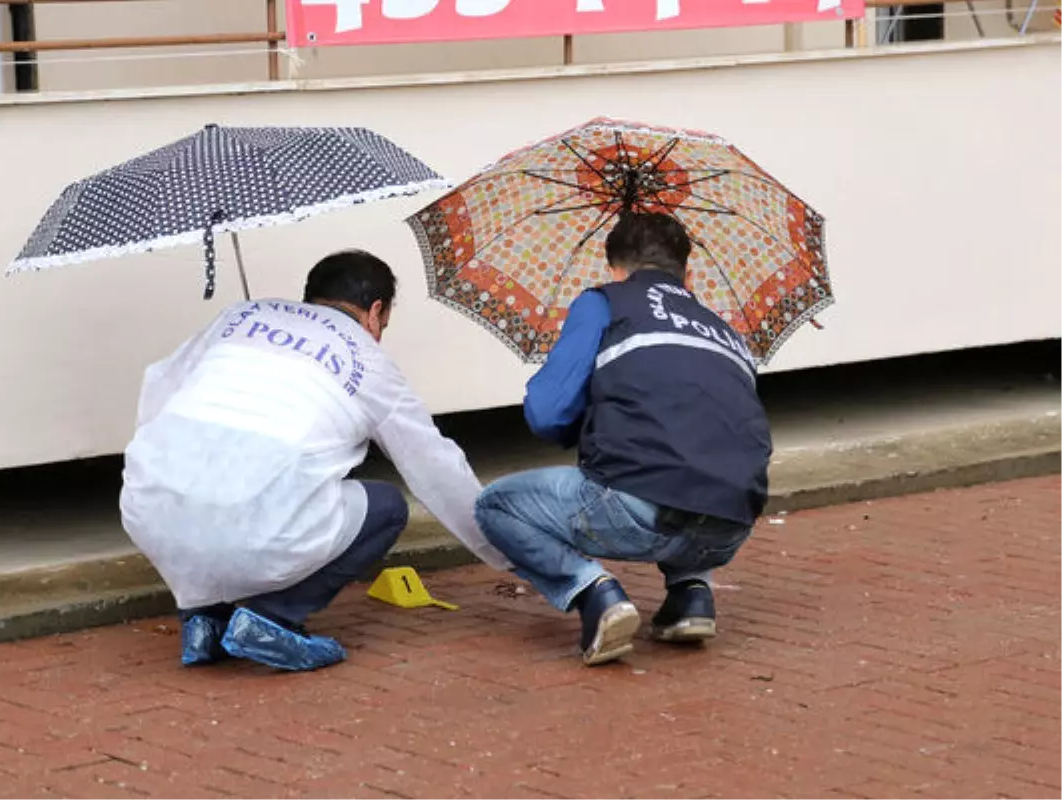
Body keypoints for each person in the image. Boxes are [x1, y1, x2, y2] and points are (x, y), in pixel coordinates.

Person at [121, 250, 510, 672]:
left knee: (211, 487)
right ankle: (272, 618)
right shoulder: (368, 359)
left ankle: (203, 619)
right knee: (386, 507)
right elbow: (435, 468)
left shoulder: (239, 316)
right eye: (384, 324)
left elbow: (161, 387)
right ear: (375, 311)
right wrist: (504, 548)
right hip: (255, 523)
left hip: (151, 506)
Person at [473, 212, 772, 666]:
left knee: (495, 505)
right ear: (688, 274)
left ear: (614, 269)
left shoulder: (603, 303)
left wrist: (587, 423)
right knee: (690, 459)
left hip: (637, 511)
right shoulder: (723, 329)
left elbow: (547, 413)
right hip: (731, 525)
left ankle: (595, 593)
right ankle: (691, 596)